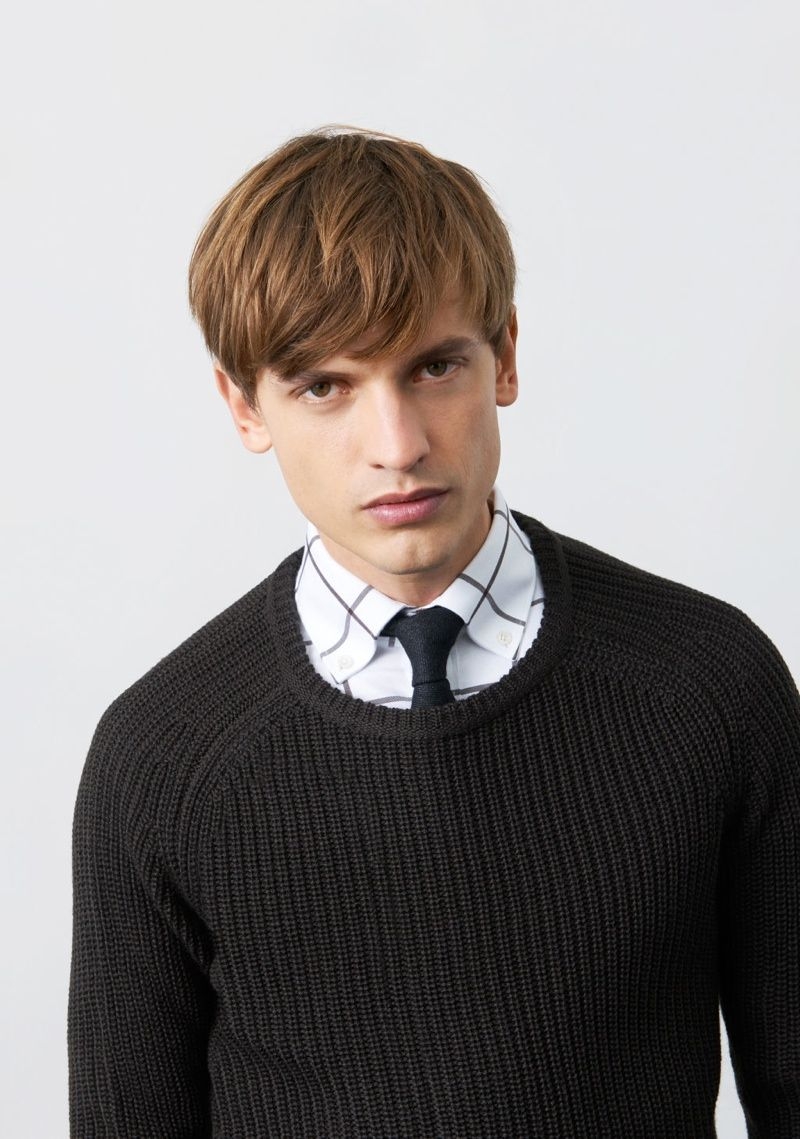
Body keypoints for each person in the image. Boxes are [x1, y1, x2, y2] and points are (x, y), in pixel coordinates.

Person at [68, 128, 800, 1137]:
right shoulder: (163, 756)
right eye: (324, 386)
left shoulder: (708, 685)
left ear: (505, 354)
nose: (398, 445)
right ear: (244, 406)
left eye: (433, 366)